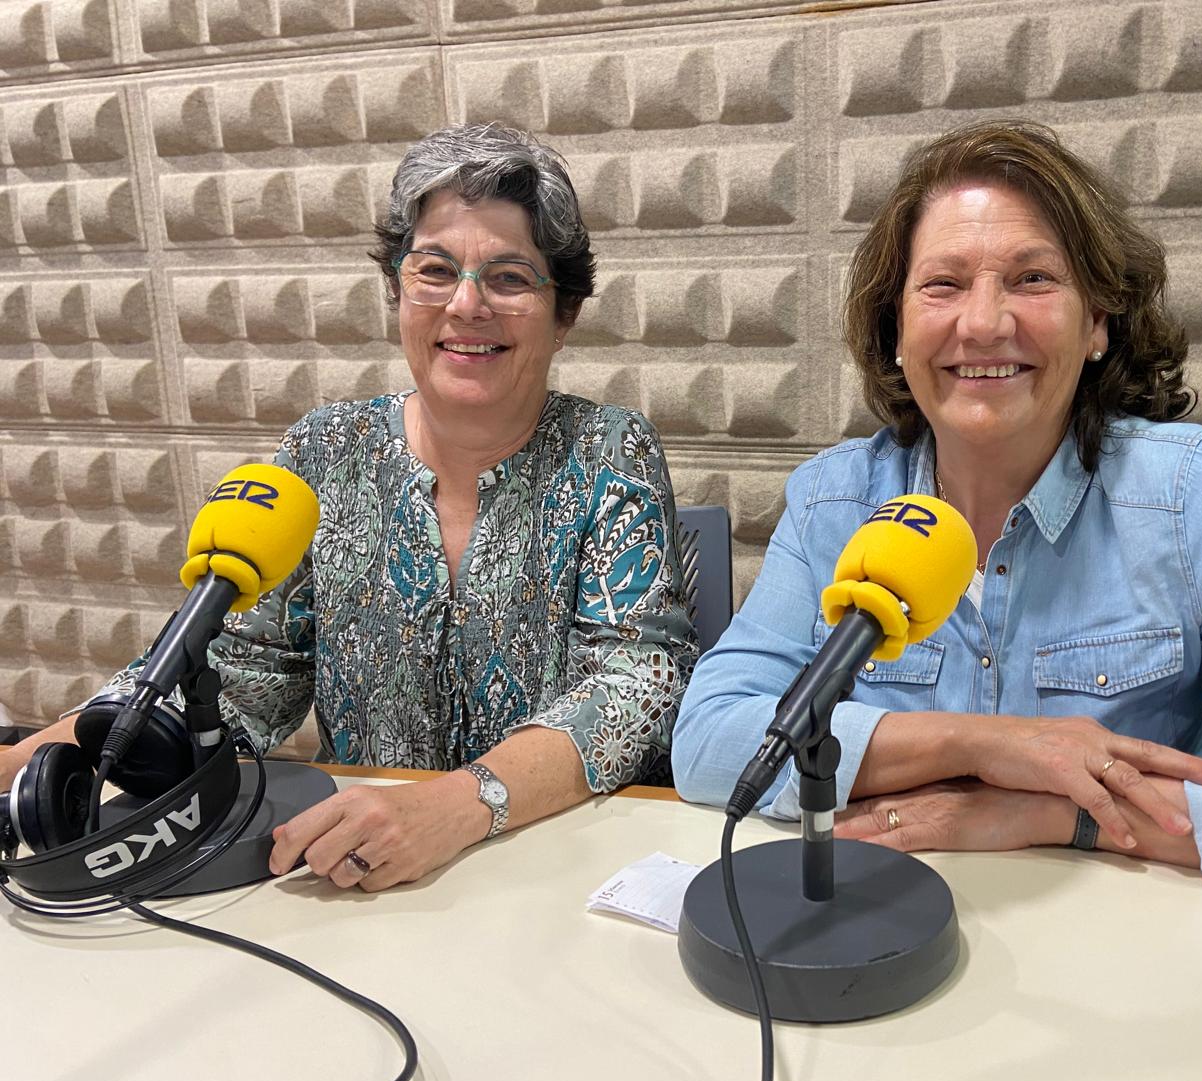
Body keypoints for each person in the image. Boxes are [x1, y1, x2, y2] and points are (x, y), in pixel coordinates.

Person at [671, 120, 1202, 885]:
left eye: (1032, 279)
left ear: (1096, 321)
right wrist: (980, 744)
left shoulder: (1195, 493)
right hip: (886, 915)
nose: (985, 323)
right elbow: (708, 741)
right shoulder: (835, 499)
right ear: (896, 327)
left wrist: (1057, 811)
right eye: (943, 284)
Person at [0, 124, 697, 892]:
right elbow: (238, 672)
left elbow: (636, 684)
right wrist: (33, 759)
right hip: (360, 879)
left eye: (509, 278)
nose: (466, 305)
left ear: (563, 313)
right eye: (435, 269)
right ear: (398, 290)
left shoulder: (609, 450)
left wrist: (459, 806)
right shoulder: (325, 451)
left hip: (559, 866)